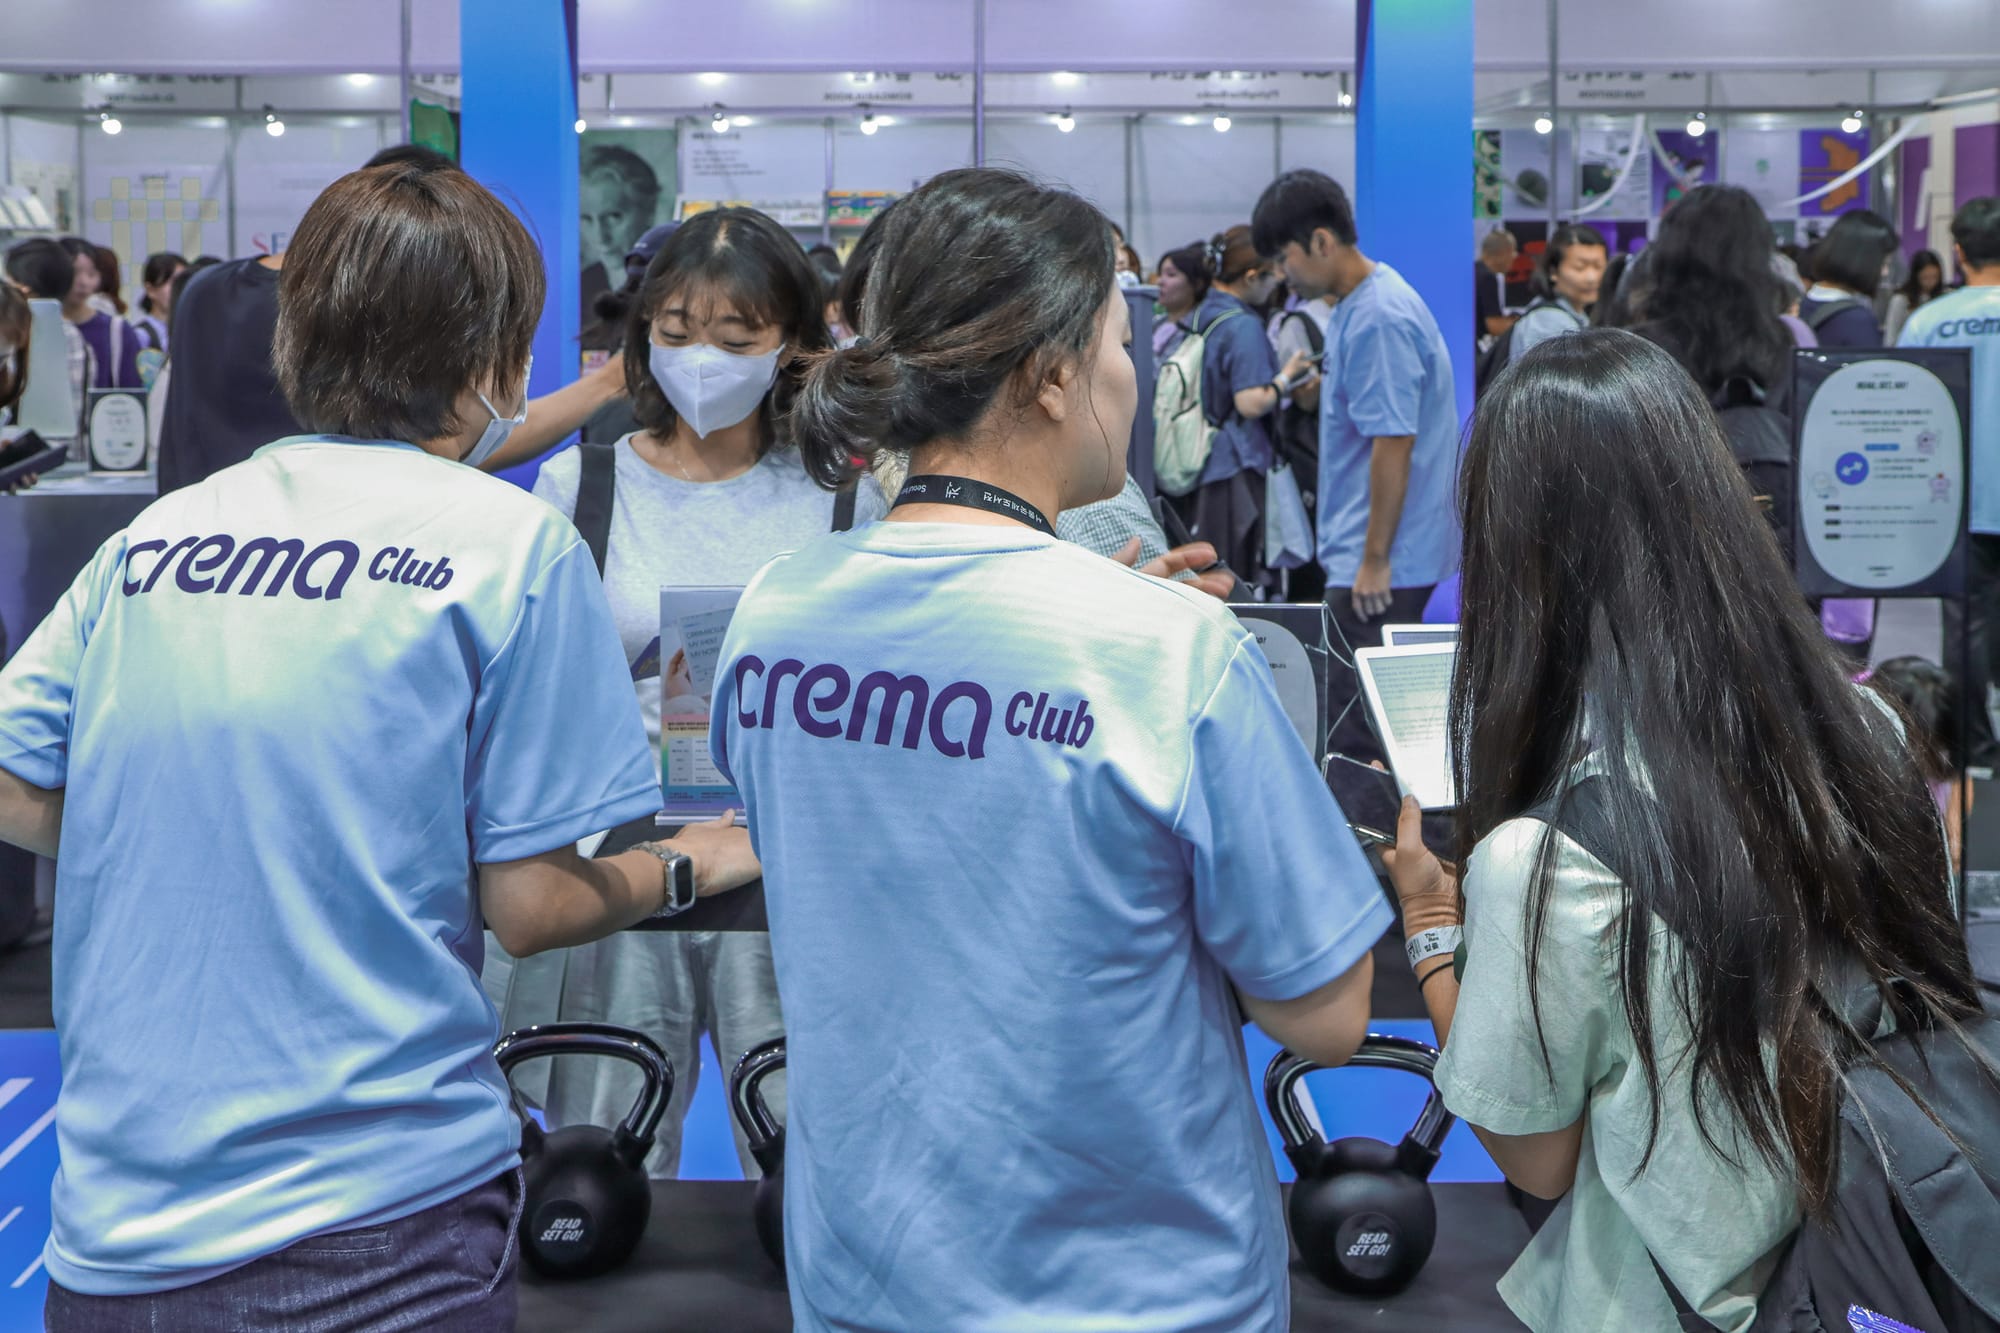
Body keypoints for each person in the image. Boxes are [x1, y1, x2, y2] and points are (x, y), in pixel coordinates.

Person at [0, 157, 761, 1331]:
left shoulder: (158, 537)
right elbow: (531, 905)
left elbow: (14, 781)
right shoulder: (507, 545)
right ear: (496, 357)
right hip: (379, 1218)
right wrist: (684, 864)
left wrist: (214, 825)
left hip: (114, 1226)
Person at [717, 164, 1386, 1333]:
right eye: (1120, 342)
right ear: (1050, 374)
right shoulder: (1171, 650)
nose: (1132, 374)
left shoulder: (770, 615)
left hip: (866, 1282)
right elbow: (1323, 1014)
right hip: (1141, 1295)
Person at [1381, 328, 1979, 1333]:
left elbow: (1536, 1155)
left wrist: (1432, 926)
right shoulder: (1872, 732)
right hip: (1889, 1270)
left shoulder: (1547, 858)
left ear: (1517, 556)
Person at [515, 207, 889, 1179]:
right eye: (676, 331)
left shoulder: (844, 501)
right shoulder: (580, 487)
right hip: (621, 869)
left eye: (734, 337)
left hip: (790, 865)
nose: (700, 360)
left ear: (791, 344)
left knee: (811, 1163)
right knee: (602, 1167)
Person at [160, 145, 622, 492]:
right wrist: (608, 382)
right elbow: (440, 441)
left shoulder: (203, 290)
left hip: (197, 547)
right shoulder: (371, 308)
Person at [1252, 168, 1458, 830]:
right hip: (1376, 550)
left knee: (1358, 734)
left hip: (1381, 562)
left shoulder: (1378, 317)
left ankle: (1385, 869)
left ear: (1320, 241)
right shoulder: (1360, 306)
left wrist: (1374, 560)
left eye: (1284, 259)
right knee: (1359, 724)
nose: (1283, 276)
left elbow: (1393, 443)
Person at [1900, 196, 2000, 767]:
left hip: (1957, 495)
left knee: (1966, 627)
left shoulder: (1929, 321)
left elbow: (1906, 405)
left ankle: (1975, 748)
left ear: (1959, 252)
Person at [1173, 225, 1315, 587]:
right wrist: (1287, 376)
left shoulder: (1202, 314)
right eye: (1272, 275)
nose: (1277, 283)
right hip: (1237, 464)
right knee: (1235, 579)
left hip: (1203, 457)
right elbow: (1251, 402)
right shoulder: (1243, 326)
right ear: (1252, 276)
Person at [1865, 656, 1973, 870]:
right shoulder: (1855, 765)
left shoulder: (1945, 760)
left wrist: (1953, 834)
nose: (1929, 755)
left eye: (1938, 745)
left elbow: (1959, 774)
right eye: (1919, 746)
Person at [5, 237, 90, 436]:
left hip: (20, 447)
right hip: (64, 448)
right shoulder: (73, 335)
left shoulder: (17, 334)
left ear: (23, 288)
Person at [580, 144, 663, 325]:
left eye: (613, 217)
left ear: (649, 211)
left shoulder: (676, 282)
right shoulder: (580, 285)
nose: (600, 237)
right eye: (586, 219)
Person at [1799, 209, 1898, 347]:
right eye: (1883, 263)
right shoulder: (1858, 321)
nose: (1885, 272)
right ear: (1860, 259)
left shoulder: (1798, 307)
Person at [1507, 223, 1607, 360]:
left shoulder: (1575, 314)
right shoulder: (1550, 323)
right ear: (1553, 271)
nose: (1591, 277)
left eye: (1598, 266)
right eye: (1580, 267)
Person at [57, 238, 143, 390]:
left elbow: (132, 391)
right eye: (75, 273)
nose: (83, 282)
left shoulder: (117, 330)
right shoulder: (39, 328)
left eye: (91, 274)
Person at [1152, 242, 1210, 362]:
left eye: (1171, 275)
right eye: (1160, 274)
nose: (1160, 282)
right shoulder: (1155, 323)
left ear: (1197, 284)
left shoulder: (1199, 329)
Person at [1885, 247, 1945, 345]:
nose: (1930, 283)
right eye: (1925, 278)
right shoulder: (1901, 300)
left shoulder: (1944, 298)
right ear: (1916, 276)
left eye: (1935, 277)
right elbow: (1890, 339)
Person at [131, 252, 184, 353]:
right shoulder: (141, 335)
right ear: (150, 290)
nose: (180, 289)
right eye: (173, 282)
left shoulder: (188, 331)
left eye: (183, 282)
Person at [1475, 227, 1518, 346]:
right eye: (1513, 252)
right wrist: (1524, 325)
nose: (1514, 257)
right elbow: (1494, 326)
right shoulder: (1487, 278)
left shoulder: (1474, 271)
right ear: (1503, 253)